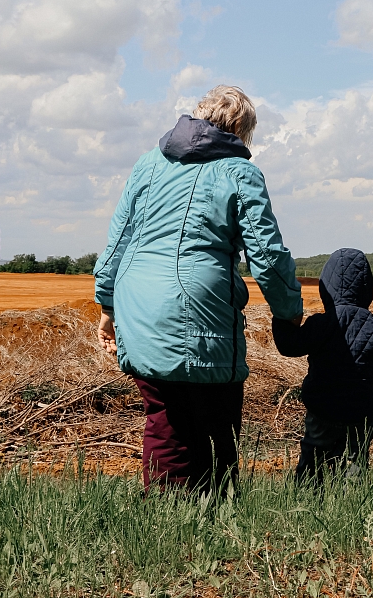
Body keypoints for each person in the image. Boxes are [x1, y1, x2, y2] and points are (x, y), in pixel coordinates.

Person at [94, 85, 303, 493]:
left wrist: (107, 305)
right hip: (200, 309)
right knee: (214, 421)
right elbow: (267, 254)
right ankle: (215, 514)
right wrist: (288, 309)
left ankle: (165, 519)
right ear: (241, 130)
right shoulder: (240, 172)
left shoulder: (148, 163)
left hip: (138, 307)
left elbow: (118, 238)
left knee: (163, 416)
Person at [271, 248, 373, 484]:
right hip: (362, 411)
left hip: (322, 408)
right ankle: (351, 503)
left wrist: (281, 317)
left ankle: (307, 495)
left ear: (326, 285)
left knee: (313, 454)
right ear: (367, 286)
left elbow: (290, 346)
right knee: (356, 460)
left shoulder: (321, 324)